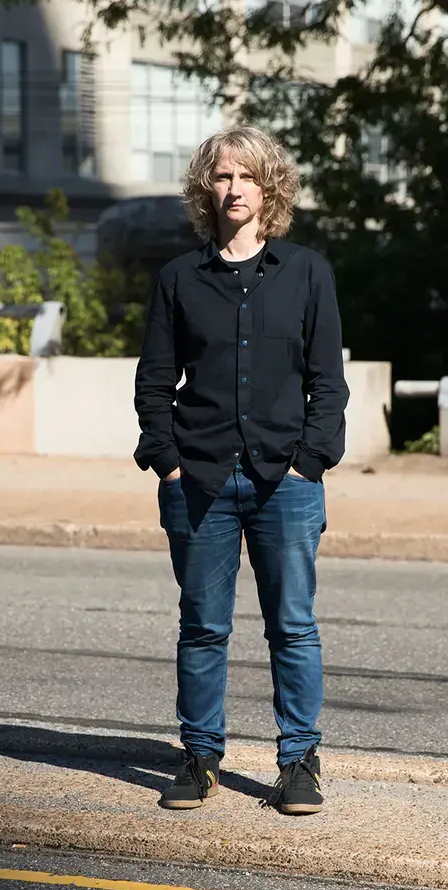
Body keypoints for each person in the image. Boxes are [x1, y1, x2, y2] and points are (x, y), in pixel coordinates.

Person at [133, 124, 349, 815]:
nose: (234, 189)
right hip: (197, 480)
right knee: (202, 625)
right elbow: (155, 382)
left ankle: (299, 763)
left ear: (270, 188)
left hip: (284, 480)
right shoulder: (179, 279)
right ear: (206, 188)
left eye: (247, 177)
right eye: (223, 177)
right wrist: (166, 463)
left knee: (293, 625)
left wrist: (308, 465)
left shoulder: (308, 273)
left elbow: (328, 383)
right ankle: (200, 757)